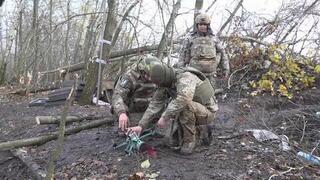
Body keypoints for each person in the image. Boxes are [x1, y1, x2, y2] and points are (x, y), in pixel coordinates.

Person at [127, 57, 219, 155]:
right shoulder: (165, 83)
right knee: (170, 141)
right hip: (193, 110)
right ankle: (199, 131)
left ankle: (190, 141)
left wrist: (164, 117)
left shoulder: (185, 77)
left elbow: (184, 99)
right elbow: (154, 104)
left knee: (184, 105)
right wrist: (141, 126)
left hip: (208, 112)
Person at [178, 13, 230, 86]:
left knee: (210, 93)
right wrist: (180, 69)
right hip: (194, 72)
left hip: (210, 73)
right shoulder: (190, 37)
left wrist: (225, 69)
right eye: (200, 24)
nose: (202, 26)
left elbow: (222, 53)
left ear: (208, 26)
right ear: (197, 25)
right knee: (195, 92)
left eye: (204, 25)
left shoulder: (213, 38)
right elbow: (183, 53)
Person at [111, 55, 157, 133]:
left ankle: (149, 125)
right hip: (131, 108)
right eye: (147, 75)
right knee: (128, 131)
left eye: (151, 75)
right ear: (141, 70)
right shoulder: (129, 77)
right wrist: (122, 113)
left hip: (147, 108)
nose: (150, 78)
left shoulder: (158, 74)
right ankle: (124, 123)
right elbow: (117, 96)